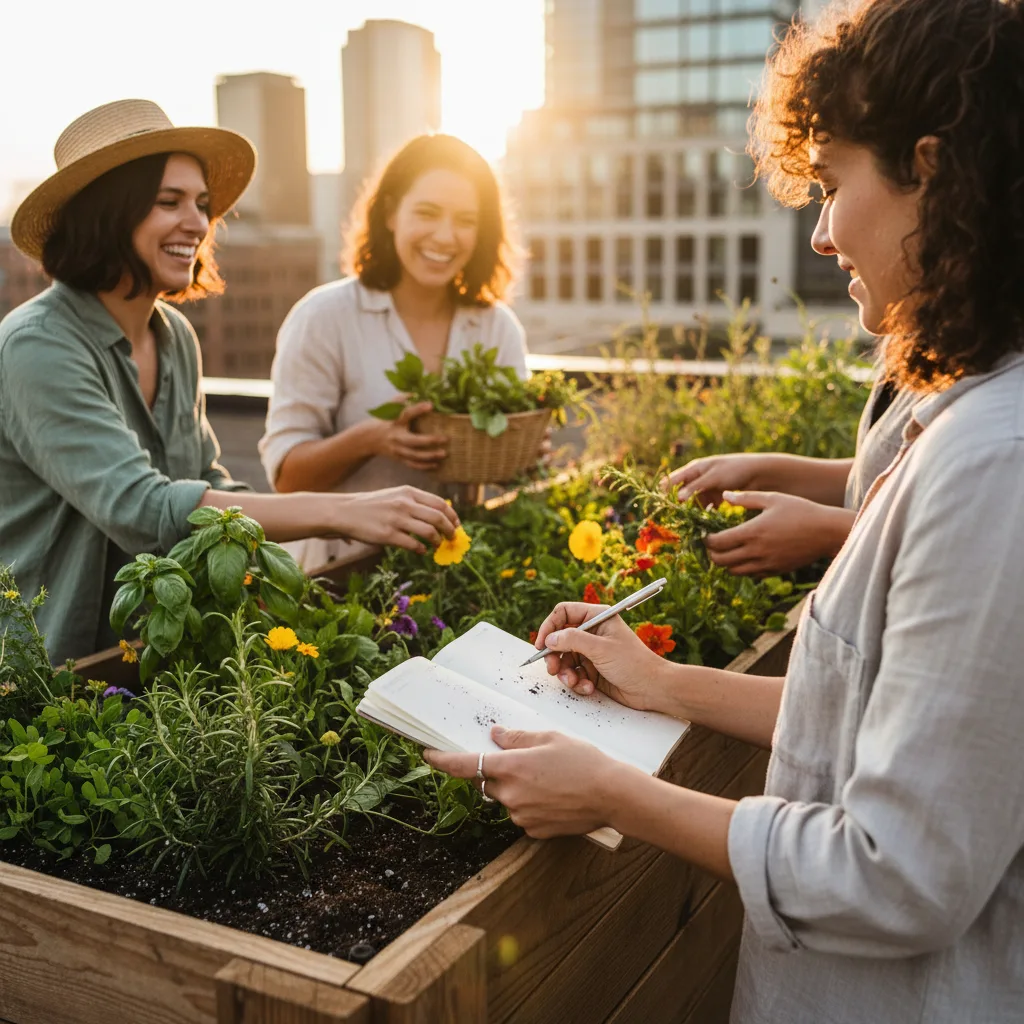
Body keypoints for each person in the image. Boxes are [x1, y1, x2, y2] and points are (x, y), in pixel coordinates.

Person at [425, 0, 1024, 1020]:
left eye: (834, 185)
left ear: (933, 173)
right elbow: (881, 726)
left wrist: (613, 793)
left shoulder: (991, 462)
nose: (824, 231)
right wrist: (657, 681)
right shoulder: (969, 426)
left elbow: (896, 875)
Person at [0, 100, 459, 664]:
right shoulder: (37, 344)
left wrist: (304, 572)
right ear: (107, 212)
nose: (197, 222)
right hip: (46, 677)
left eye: (201, 204)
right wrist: (344, 510)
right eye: (168, 201)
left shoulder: (174, 337)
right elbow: (143, 508)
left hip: (155, 657)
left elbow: (207, 483)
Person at [259, 134, 529, 569]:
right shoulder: (324, 317)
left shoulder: (497, 328)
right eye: (426, 213)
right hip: (338, 574)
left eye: (465, 220)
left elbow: (504, 473)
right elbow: (288, 477)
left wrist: (522, 447)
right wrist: (372, 439)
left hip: (456, 570)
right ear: (390, 213)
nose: (446, 236)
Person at [662, 355, 916, 575]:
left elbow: (947, 546)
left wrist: (831, 532)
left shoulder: (953, 393)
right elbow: (881, 482)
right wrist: (760, 474)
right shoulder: (914, 346)